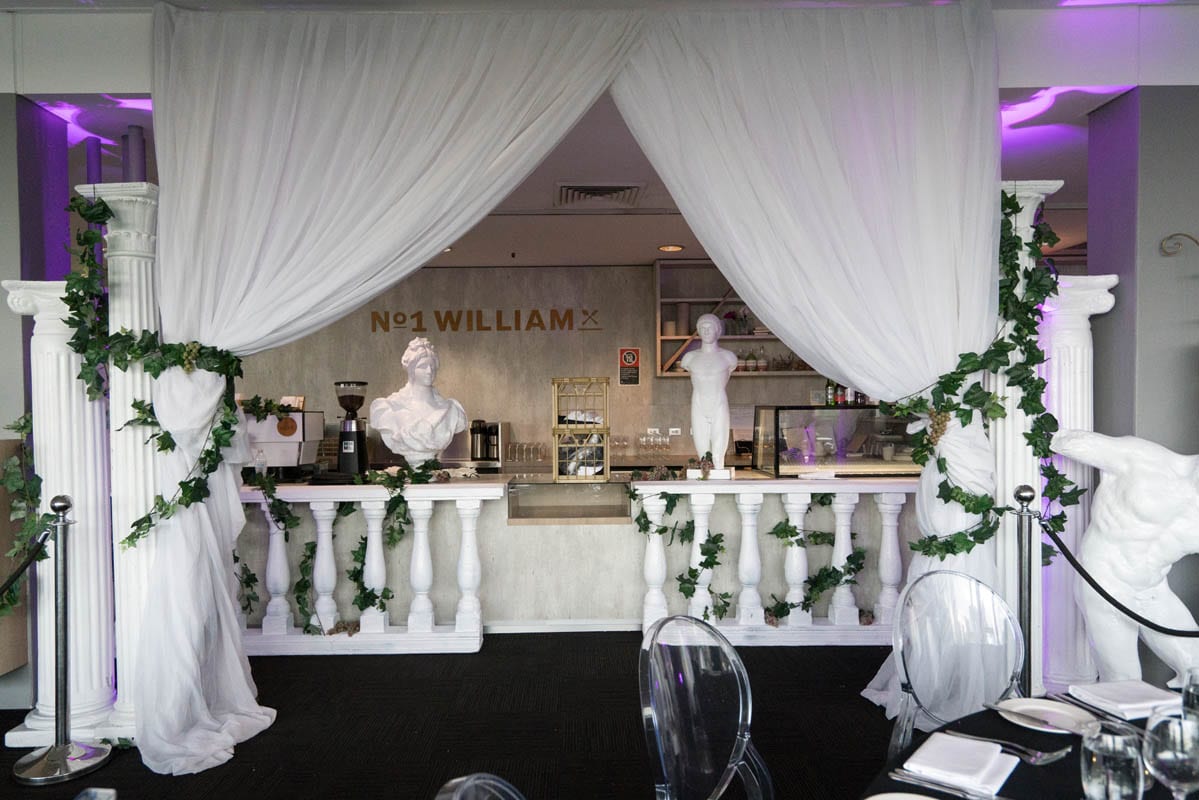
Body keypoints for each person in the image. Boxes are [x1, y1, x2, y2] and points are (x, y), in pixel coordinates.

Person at [1051, 428, 1199, 685]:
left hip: (1154, 590)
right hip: (1104, 581)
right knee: (1124, 681)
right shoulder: (1144, 457)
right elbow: (1063, 442)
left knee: (1196, 666)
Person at [370, 337, 467, 466]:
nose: (429, 371)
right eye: (423, 366)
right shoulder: (390, 408)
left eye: (432, 366)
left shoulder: (451, 409)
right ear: (411, 370)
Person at [680, 313, 738, 470]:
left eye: (710, 327)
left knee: (719, 453)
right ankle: (704, 473)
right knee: (702, 450)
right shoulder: (689, 358)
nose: (706, 331)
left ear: (717, 330)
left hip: (719, 402)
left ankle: (718, 472)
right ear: (698, 331)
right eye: (702, 328)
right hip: (698, 403)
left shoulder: (728, 357)